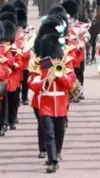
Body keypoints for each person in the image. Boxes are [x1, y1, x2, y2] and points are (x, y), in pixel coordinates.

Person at [30, 34, 75, 174]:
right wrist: (46, 80)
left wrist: (60, 76)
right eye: (53, 58)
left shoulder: (66, 67)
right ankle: (52, 160)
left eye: (56, 58)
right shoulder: (40, 66)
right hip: (46, 106)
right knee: (49, 134)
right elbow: (32, 84)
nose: (55, 61)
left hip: (61, 106)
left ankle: (57, 152)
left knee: (59, 132)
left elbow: (70, 85)